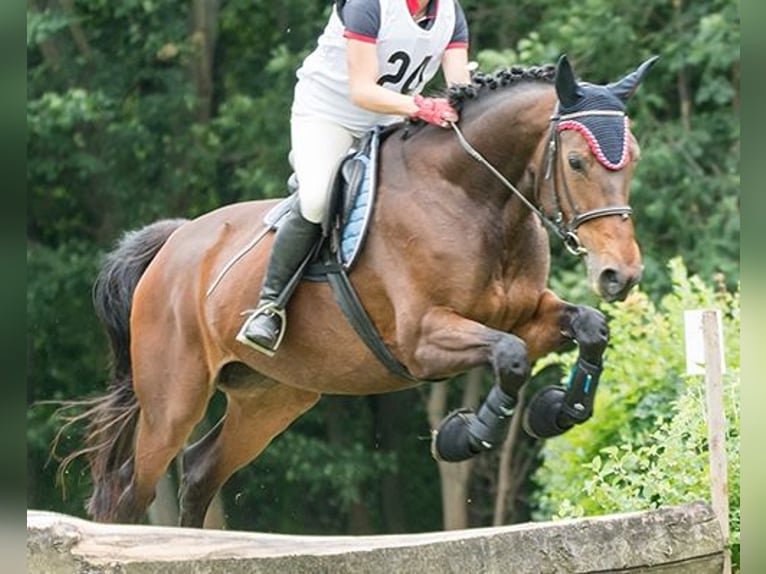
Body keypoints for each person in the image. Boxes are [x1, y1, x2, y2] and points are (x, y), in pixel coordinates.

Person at [237, 0, 472, 354]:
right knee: (316, 199)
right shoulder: (369, 4)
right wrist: (421, 107)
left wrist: (462, 105)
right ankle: (269, 307)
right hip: (329, 113)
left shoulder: (451, 15)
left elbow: (460, 89)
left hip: (390, 119)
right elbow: (361, 90)